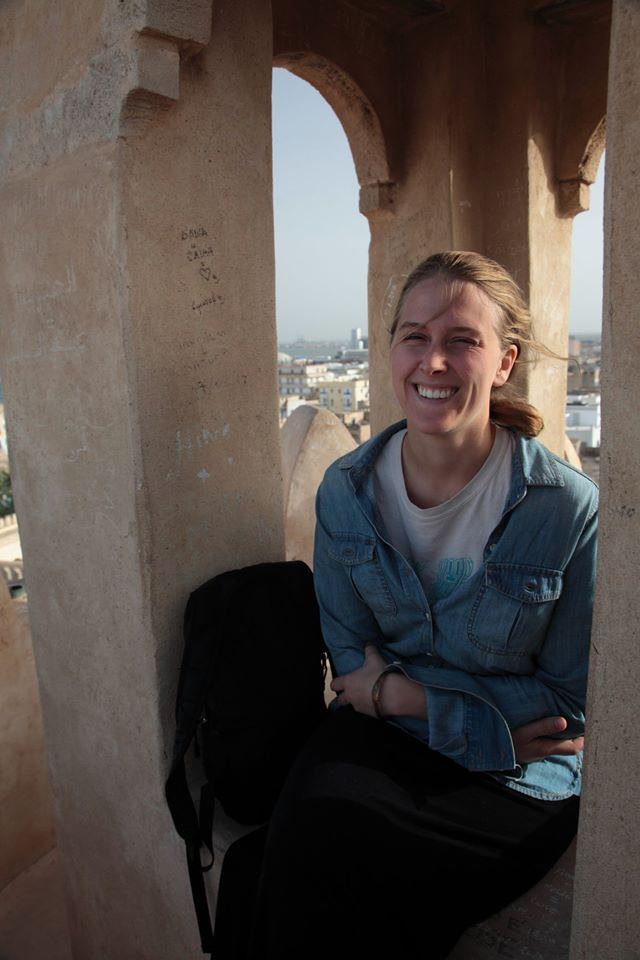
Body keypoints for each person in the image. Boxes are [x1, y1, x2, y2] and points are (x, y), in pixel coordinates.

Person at [240, 251, 597, 959]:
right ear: (392, 351)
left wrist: (402, 695)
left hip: (515, 779)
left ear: (504, 362)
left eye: (461, 340)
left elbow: (566, 708)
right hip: (396, 739)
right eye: (415, 337)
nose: (433, 361)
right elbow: (350, 662)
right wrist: (469, 712)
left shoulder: (563, 509)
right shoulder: (346, 492)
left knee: (318, 871)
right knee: (283, 859)